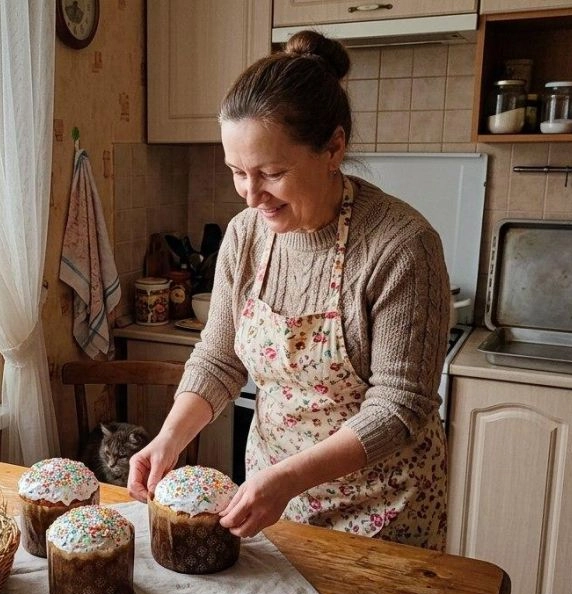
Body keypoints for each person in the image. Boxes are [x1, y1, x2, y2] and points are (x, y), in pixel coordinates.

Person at [127, 30, 451, 551]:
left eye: (272, 173)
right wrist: (170, 438)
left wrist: (287, 479)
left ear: (334, 147)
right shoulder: (246, 234)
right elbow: (219, 358)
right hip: (272, 498)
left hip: (384, 511)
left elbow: (400, 406)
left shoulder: (401, 245)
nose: (252, 195)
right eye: (237, 172)